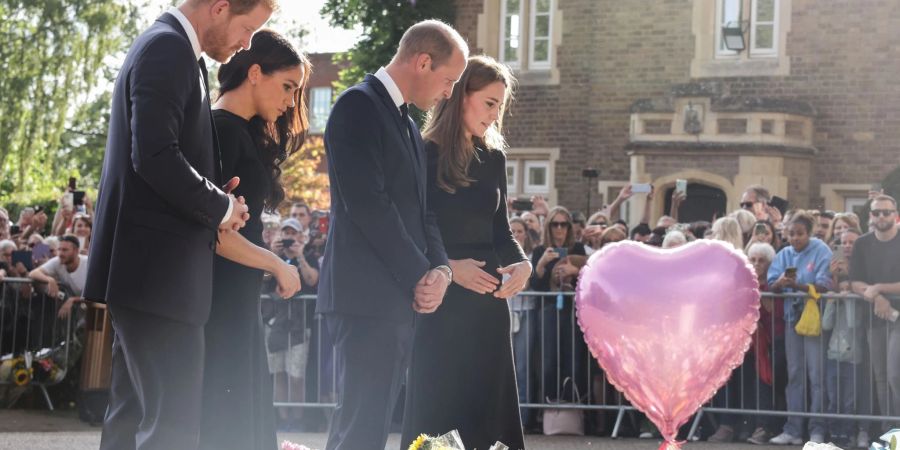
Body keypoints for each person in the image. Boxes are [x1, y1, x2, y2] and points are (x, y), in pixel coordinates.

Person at [83, 1, 273, 448]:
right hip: (160, 277)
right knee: (171, 428)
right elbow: (154, 156)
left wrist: (215, 195)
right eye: (247, 29)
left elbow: (161, 157)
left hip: (147, 274)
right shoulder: (168, 49)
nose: (247, 44)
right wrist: (221, 208)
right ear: (219, 7)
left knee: (131, 422)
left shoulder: (167, 48)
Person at [315, 20, 467, 450]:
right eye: (448, 80)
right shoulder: (357, 107)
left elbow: (424, 212)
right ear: (423, 62)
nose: (448, 92)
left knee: (373, 423)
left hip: (396, 298)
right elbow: (368, 205)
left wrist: (440, 270)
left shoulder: (407, 124)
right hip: (365, 297)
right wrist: (420, 273)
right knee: (360, 426)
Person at [401, 55, 531, 449]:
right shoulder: (423, 153)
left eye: (500, 106)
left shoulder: (494, 159)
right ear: (460, 96)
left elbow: (500, 231)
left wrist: (522, 263)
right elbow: (412, 227)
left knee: (489, 408)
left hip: (489, 304)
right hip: (441, 300)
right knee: (437, 405)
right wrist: (449, 268)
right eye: (489, 103)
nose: (495, 115)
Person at [197, 29, 308, 450]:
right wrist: (277, 264)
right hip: (221, 295)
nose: (290, 101)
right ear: (255, 72)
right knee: (229, 419)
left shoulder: (239, 131)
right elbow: (217, 235)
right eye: (287, 87)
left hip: (236, 297)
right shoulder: (222, 131)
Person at [767, 211, 833, 445]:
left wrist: (798, 285)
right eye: (791, 234)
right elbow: (771, 283)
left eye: (800, 234)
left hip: (813, 319)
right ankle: (793, 429)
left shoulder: (821, 250)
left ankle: (817, 428)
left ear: (810, 233)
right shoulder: (784, 253)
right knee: (795, 374)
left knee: (816, 376)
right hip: (791, 318)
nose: (795, 239)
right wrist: (780, 284)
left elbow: (824, 284)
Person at [850, 195, 900, 430]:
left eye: (887, 212)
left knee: (895, 375)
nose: (882, 216)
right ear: (870, 216)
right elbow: (854, 282)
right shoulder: (862, 243)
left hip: (898, 319)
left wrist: (879, 288)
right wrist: (878, 298)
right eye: (877, 212)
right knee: (880, 376)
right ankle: (890, 431)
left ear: (895, 214)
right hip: (874, 316)